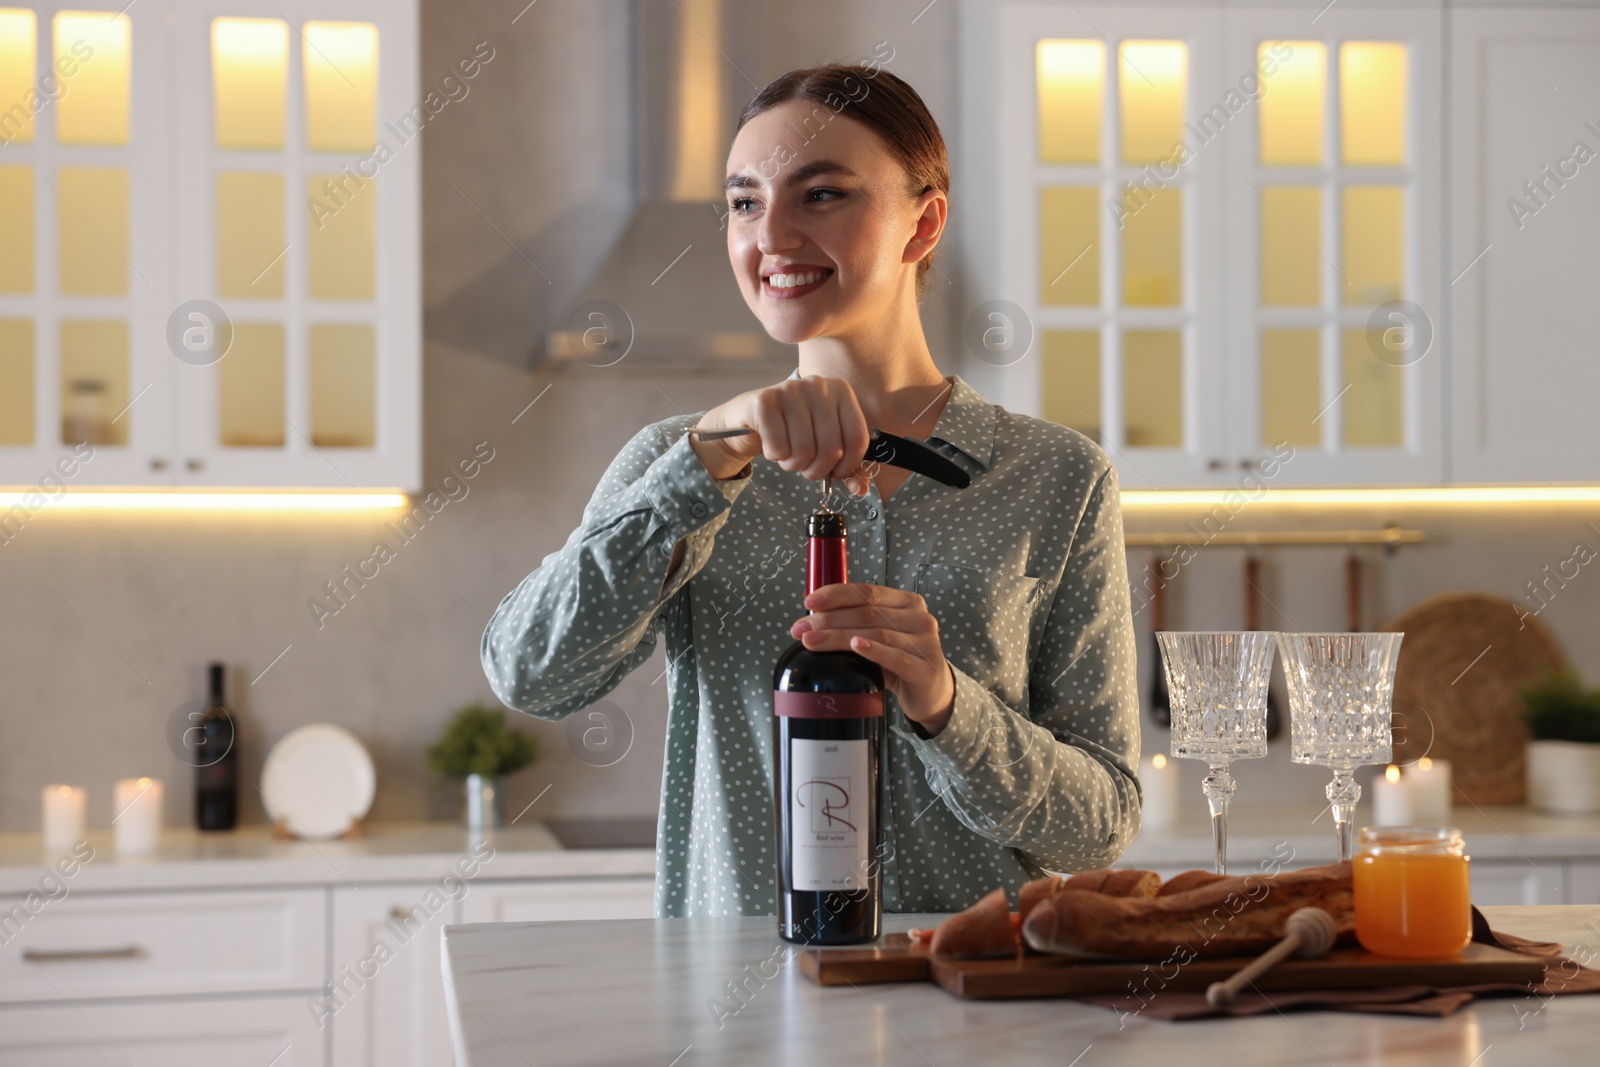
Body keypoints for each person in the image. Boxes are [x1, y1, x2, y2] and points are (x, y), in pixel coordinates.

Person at [481, 64, 1141, 918]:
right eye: (745, 202)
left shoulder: (1057, 478)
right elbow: (530, 671)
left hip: (973, 1001)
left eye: (821, 194)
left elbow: (1101, 825)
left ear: (922, 222)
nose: (772, 236)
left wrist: (948, 704)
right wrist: (703, 464)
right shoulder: (680, 461)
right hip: (740, 1010)